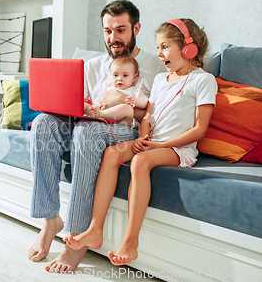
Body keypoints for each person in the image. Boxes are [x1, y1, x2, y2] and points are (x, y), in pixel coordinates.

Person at [63, 18, 217, 267]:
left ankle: (130, 241)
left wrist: (157, 146)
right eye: (158, 47)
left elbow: (200, 129)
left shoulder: (203, 80)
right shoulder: (159, 80)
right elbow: (148, 115)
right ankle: (95, 229)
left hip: (177, 149)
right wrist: (144, 137)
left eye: (165, 47)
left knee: (140, 162)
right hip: (152, 142)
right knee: (112, 153)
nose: (159, 54)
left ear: (188, 47)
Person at [27, 0, 166, 273]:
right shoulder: (92, 65)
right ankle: (50, 220)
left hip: (125, 128)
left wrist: (120, 106)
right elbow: (74, 103)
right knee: (43, 122)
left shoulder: (155, 66)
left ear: (136, 28)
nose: (113, 38)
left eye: (121, 30)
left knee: (87, 132)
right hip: (89, 120)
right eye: (107, 31)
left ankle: (77, 239)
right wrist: (83, 108)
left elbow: (156, 115)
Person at [86, 55, 148, 127]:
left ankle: (100, 114)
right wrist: (96, 107)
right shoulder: (108, 89)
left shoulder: (135, 89)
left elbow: (145, 101)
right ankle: (86, 110)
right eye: (115, 75)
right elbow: (102, 103)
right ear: (110, 76)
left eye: (125, 75)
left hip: (125, 122)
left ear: (134, 78)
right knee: (91, 106)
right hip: (107, 122)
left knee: (127, 108)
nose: (119, 78)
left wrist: (136, 101)